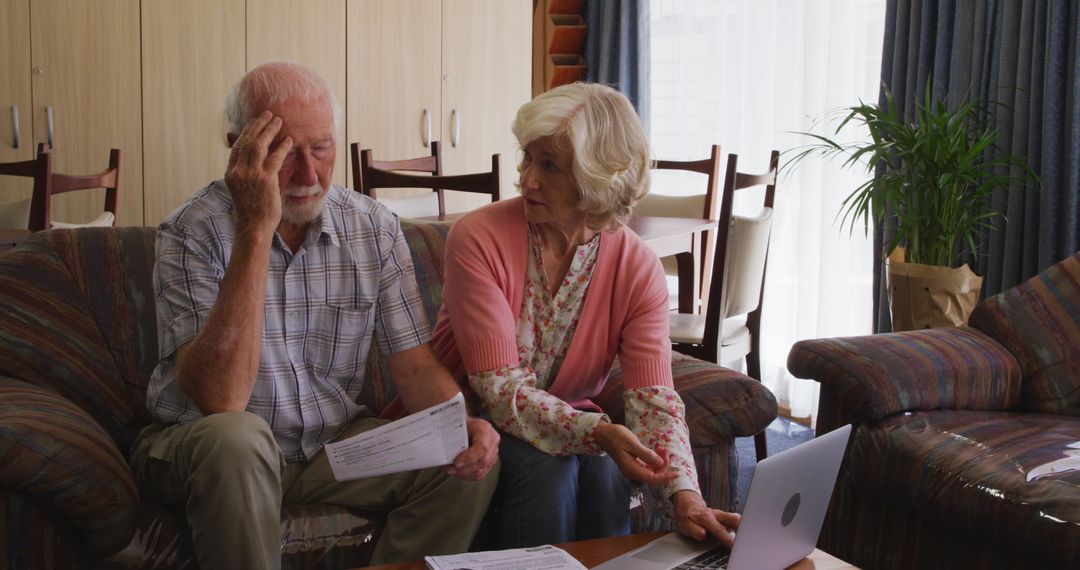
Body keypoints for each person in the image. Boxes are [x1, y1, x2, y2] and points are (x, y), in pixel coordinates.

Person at [128, 61, 500, 569]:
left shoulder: (373, 227)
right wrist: (256, 227)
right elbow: (221, 399)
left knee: (463, 458)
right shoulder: (191, 231)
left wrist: (461, 424)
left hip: (329, 447)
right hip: (207, 448)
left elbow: (414, 367)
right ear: (240, 149)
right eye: (284, 153)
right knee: (238, 440)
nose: (308, 175)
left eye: (321, 149)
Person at [431, 82, 741, 548]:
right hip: (468, 420)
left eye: (550, 166)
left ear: (599, 181)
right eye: (528, 158)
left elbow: (654, 400)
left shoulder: (638, 268)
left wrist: (686, 496)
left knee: (603, 468)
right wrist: (598, 431)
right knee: (550, 469)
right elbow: (497, 390)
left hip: (564, 422)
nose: (528, 179)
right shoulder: (478, 237)